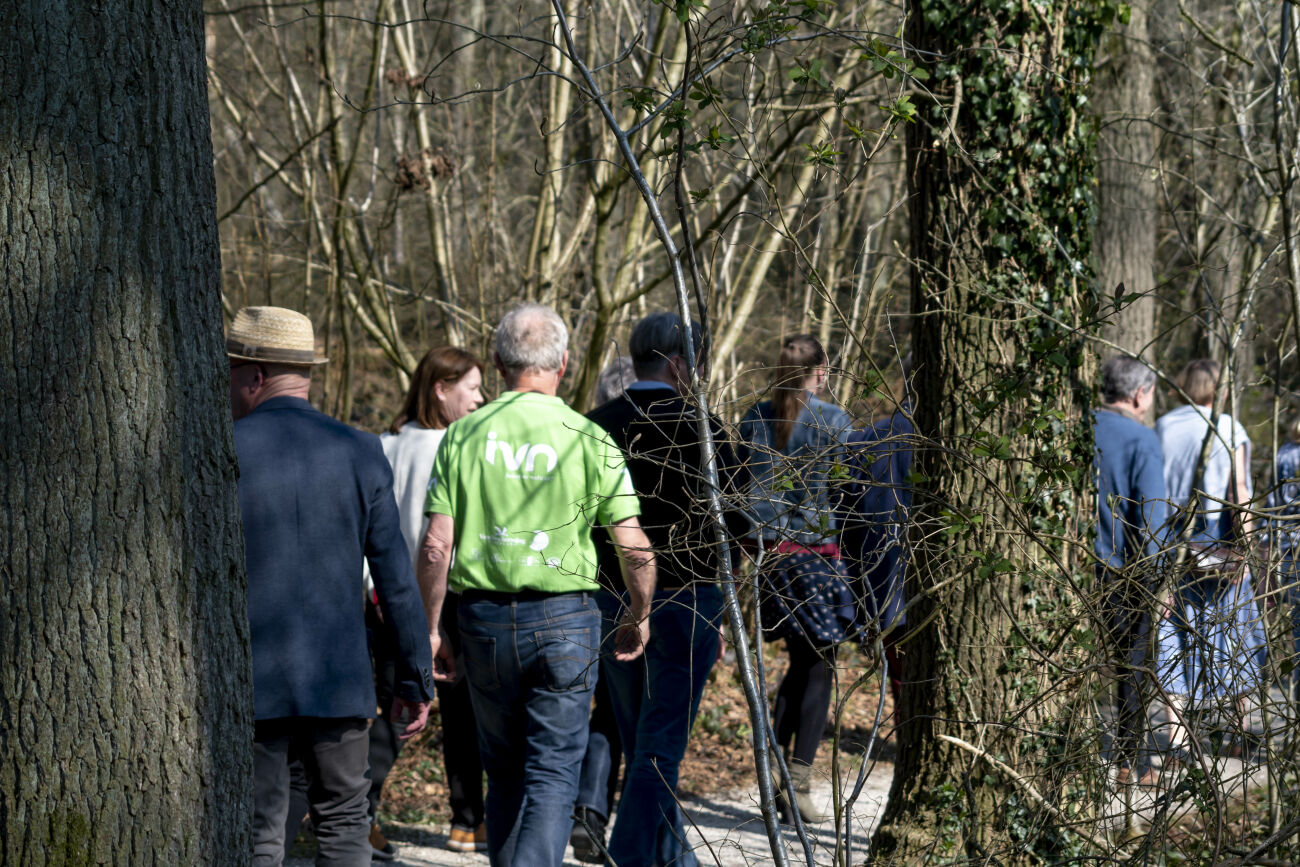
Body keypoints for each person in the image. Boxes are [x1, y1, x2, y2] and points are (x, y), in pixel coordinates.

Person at [417, 303, 657, 867]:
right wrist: (639, 612)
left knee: (502, 773)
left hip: (482, 621)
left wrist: (430, 629)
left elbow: (435, 547)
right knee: (552, 775)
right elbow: (633, 546)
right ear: (564, 364)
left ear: (499, 363)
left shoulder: (462, 435)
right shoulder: (588, 438)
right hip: (566, 620)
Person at [228, 306, 434, 867]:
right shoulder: (360, 450)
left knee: (258, 830)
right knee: (345, 823)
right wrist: (414, 677)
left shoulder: (222, 449)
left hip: (250, 676)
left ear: (254, 375)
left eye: (231, 373)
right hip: (338, 676)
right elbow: (396, 579)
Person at [586, 313, 747, 867]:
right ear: (681, 364)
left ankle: (674, 858)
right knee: (658, 749)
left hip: (611, 598)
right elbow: (738, 526)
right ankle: (633, 857)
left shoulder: (595, 426)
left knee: (643, 744)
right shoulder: (709, 431)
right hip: (687, 600)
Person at [365, 347, 486, 859]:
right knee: (444, 712)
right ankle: (461, 821)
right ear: (441, 388)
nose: (480, 398)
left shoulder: (382, 444)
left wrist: (369, 587)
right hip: (442, 596)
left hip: (381, 595)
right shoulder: (459, 447)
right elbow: (446, 539)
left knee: (397, 705)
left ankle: (360, 811)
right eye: (472, 388)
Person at [739, 334, 855, 824]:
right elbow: (848, 491)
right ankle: (798, 784)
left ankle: (777, 774)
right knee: (820, 666)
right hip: (817, 559)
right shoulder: (833, 421)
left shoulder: (755, 418)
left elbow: (740, 483)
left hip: (770, 560)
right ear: (821, 371)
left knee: (798, 662)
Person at [1155, 359, 1265, 754]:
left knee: (1172, 633)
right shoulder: (1229, 427)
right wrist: (1247, 548)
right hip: (1221, 542)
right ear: (1219, 388)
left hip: (1172, 541)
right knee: (1234, 631)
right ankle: (1239, 731)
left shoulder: (1163, 426)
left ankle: (1178, 739)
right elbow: (1239, 492)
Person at [569, 355, 635, 863]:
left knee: (606, 708)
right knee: (645, 715)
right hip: (655, 590)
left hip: (592, 589)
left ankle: (590, 812)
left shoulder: (582, 433)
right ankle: (636, 823)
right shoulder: (679, 431)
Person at [1091, 357, 1169, 785]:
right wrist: (1159, 582)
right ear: (1140, 394)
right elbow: (1152, 518)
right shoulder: (1142, 439)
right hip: (1124, 572)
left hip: (1072, 564)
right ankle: (1130, 762)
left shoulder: (1077, 427)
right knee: (1133, 665)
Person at [842, 361, 915, 713]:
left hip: (884, 592)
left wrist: (860, 597)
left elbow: (846, 525)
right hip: (910, 590)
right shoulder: (961, 441)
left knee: (904, 688)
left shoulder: (867, 439)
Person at [1267, 415, 1300, 702]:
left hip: (1288, 545)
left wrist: (1269, 544)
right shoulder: (1287, 453)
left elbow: (1273, 503)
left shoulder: (1285, 453)